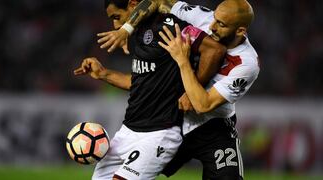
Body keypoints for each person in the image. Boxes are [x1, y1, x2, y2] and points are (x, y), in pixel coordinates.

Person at [97, 0, 260, 179]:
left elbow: (202, 104)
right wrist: (127, 30)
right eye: (214, 18)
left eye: (221, 24)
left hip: (213, 127)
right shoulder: (202, 17)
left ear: (240, 31)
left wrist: (183, 62)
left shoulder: (247, 63)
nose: (211, 27)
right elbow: (156, 1)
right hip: (174, 122)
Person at [74, 0, 226, 179]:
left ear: (132, 5)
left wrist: (193, 90)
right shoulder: (138, 34)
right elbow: (140, 82)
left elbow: (214, 50)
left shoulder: (168, 25)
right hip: (127, 132)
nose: (116, 25)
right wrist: (103, 74)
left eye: (117, 17)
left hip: (159, 133)